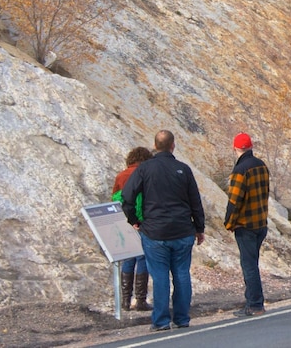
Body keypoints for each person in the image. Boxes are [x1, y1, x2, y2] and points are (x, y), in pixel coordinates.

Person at [122, 130, 206, 332]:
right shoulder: (183, 169)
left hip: (155, 231)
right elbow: (195, 201)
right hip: (182, 230)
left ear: (155, 145)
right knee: (181, 273)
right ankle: (182, 318)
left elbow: (127, 198)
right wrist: (199, 228)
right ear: (173, 145)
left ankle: (160, 321)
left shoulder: (144, 170)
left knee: (159, 276)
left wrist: (135, 220)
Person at [224, 133, 270, 318]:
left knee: (249, 265)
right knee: (252, 263)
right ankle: (253, 301)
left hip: (246, 225)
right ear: (251, 147)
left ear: (235, 148)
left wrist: (229, 223)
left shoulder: (240, 171)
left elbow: (234, 201)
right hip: (261, 222)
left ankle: (255, 304)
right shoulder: (261, 165)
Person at [111, 146, 154, 311]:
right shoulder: (144, 173)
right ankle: (140, 300)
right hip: (142, 220)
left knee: (129, 257)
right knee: (142, 257)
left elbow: (115, 197)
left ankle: (125, 302)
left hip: (125, 220)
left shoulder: (121, 175)